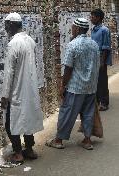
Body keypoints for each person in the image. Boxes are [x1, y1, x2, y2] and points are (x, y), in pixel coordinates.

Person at [46, 18, 100, 150]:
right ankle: (87, 141)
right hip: (91, 87)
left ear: (76, 28)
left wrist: (63, 86)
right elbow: (97, 65)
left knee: (67, 112)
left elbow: (68, 68)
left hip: (76, 87)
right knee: (88, 113)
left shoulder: (73, 45)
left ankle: (58, 140)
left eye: (72, 27)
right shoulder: (94, 44)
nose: (71, 29)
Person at [1, 12, 44, 163]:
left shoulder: (13, 44)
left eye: (7, 25)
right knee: (27, 119)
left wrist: (5, 95)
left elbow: (9, 72)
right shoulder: (30, 41)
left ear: (12, 25)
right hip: (29, 89)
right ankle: (30, 149)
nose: (6, 29)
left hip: (17, 90)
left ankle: (18, 152)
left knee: (10, 123)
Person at [91, 8, 112, 111]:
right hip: (94, 59)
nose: (91, 18)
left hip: (101, 59)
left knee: (102, 81)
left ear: (98, 18)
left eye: (93, 17)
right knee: (96, 81)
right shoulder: (94, 29)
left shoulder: (104, 30)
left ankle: (104, 103)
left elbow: (106, 47)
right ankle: (97, 101)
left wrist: (102, 62)